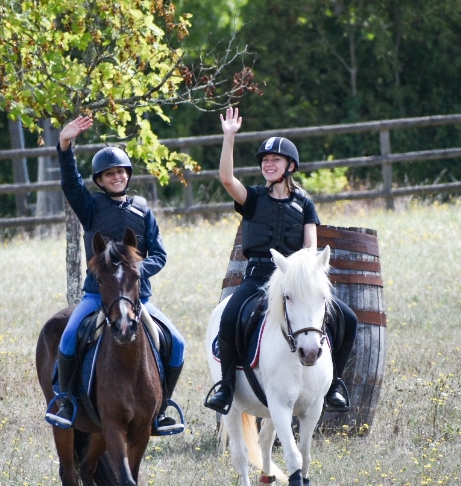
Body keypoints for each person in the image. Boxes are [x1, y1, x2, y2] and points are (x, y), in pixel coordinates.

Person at [204, 107, 357, 415]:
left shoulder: (304, 205)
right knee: (230, 315)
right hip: (257, 275)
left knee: (349, 319)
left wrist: (301, 274)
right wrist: (229, 137)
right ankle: (226, 387)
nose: (268, 164)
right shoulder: (253, 199)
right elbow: (225, 177)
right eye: (264, 160)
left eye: (275, 159)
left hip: (293, 278)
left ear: (290, 166)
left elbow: (310, 248)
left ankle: (334, 384)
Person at [46, 115, 185, 433]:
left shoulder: (142, 209)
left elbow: (160, 255)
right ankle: (67, 401)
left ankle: (161, 409)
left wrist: (134, 272)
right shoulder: (91, 207)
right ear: (100, 179)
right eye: (109, 174)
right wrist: (65, 145)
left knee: (176, 343)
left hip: (138, 300)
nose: (116, 177)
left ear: (128, 175)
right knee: (68, 339)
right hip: (97, 296)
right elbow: (70, 183)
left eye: (121, 171)